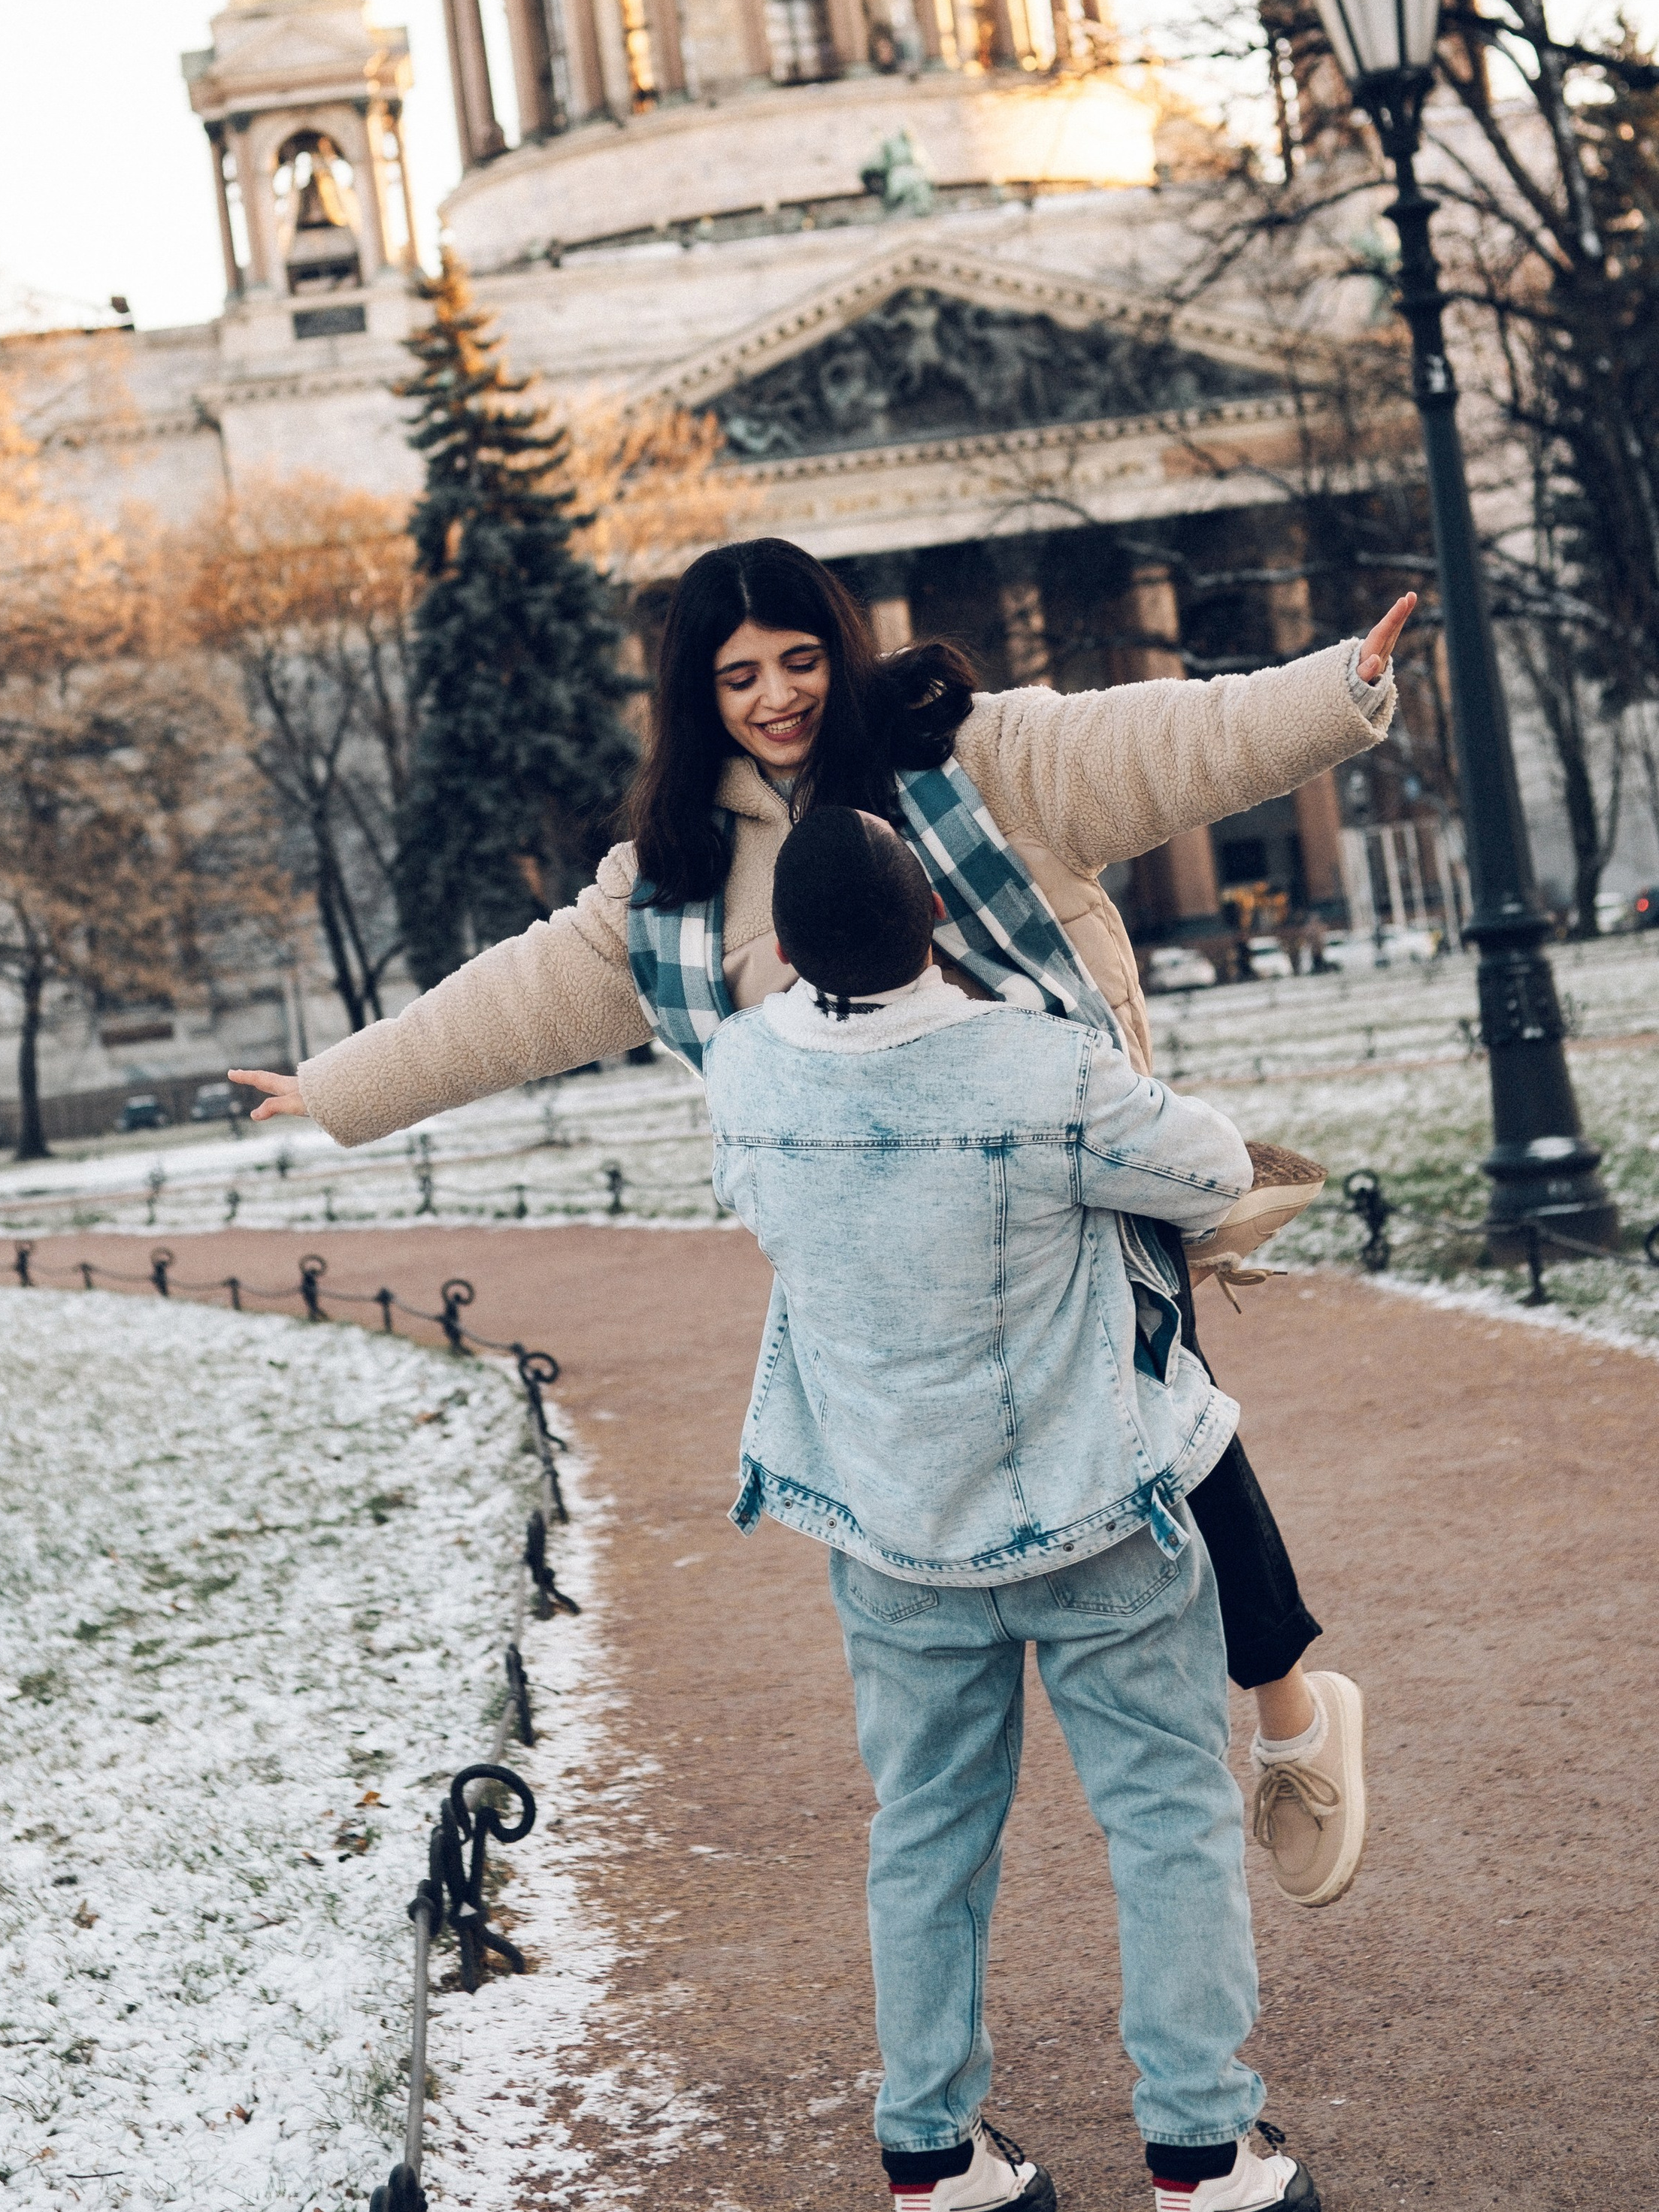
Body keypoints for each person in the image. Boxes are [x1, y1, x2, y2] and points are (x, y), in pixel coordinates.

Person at [232, 537, 1410, 1909]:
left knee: (1172, 1416)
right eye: (740, 675)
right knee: (996, 1484)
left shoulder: (972, 758)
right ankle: (1087, 1779)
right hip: (888, 1239)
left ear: (838, 647)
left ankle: (1285, 1713)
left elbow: (1168, 741)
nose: (778, 696)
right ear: (698, 691)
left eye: (799, 659)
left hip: (1065, 1177)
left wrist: (1338, 689)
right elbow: (511, 1002)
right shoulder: (669, 882)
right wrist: (338, 1086)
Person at [704, 803, 1316, 2212]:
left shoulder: (742, 1072)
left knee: (920, 1836)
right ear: (933, 921)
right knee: (1163, 1813)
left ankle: (932, 2166)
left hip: (892, 1529)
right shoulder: (1039, 1066)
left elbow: (759, 1210)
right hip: (1087, 1508)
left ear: (786, 950)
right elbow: (1211, 1167)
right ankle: (1199, 2159)